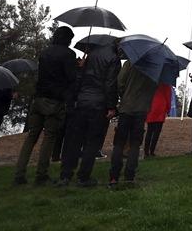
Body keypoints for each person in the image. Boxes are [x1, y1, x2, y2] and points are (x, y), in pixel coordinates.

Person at [14, 26, 77, 186]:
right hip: (54, 101)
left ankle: (19, 174)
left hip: (38, 98)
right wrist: (78, 67)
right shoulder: (69, 54)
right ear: (68, 39)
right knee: (49, 137)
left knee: (31, 137)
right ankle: (41, 175)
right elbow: (71, 78)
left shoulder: (44, 53)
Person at [57, 40, 119, 186]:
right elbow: (110, 83)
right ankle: (83, 176)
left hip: (82, 101)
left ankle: (65, 175)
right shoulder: (113, 58)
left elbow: (79, 79)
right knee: (92, 142)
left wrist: (75, 98)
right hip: (99, 104)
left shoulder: (90, 54)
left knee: (74, 140)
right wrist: (111, 106)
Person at [107, 55, 155, 188]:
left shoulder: (130, 63)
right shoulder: (153, 68)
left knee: (119, 142)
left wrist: (124, 95)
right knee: (135, 144)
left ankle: (114, 176)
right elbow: (153, 88)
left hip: (126, 107)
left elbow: (120, 81)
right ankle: (129, 176)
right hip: (141, 109)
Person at [142, 82, 171, 157]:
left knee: (149, 131)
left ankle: (146, 151)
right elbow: (168, 98)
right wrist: (168, 110)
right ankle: (152, 151)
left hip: (151, 107)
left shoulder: (150, 82)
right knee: (156, 132)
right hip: (161, 108)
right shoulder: (166, 84)